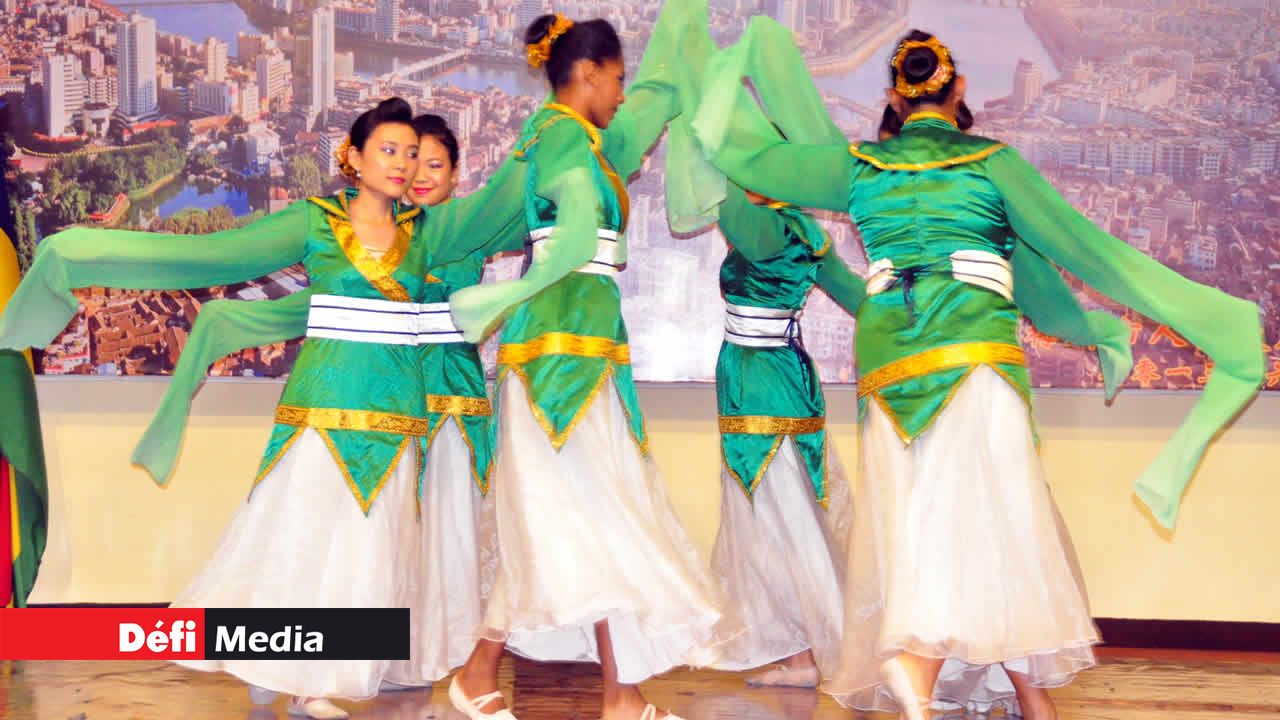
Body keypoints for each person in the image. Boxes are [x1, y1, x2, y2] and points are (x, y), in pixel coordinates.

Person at [691, 21, 1264, 719]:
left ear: (896, 101)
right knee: (991, 517)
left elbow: (747, 162)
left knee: (925, 520)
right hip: (972, 352)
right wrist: (1106, 325)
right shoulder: (993, 165)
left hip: (891, 365)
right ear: (958, 88)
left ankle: (998, 692)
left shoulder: (858, 166)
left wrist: (740, 57)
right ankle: (920, 665)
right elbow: (1077, 253)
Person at [0, 98, 528, 719]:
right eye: (388, 150)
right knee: (297, 542)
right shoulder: (315, 220)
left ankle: (297, 673)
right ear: (353, 158)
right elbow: (208, 257)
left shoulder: (430, 233)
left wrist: (557, 135)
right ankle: (290, 673)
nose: (403, 163)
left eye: (411, 153)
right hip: (320, 416)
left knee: (374, 551)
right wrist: (80, 252)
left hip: (399, 423)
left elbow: (508, 212)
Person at [441, 6, 737, 720]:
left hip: (577, 350)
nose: (621, 94)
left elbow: (541, 224)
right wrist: (508, 293)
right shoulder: (564, 142)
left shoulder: (568, 141)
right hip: (557, 361)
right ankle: (614, 694)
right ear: (589, 73)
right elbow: (571, 237)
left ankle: (501, 676)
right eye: (618, 79)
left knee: (563, 519)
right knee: (585, 517)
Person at [705, 178, 861, 689]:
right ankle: (802, 655)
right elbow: (856, 296)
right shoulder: (801, 230)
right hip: (772, 373)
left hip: (761, 378)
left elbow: (722, 206)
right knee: (778, 515)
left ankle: (821, 647)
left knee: (783, 513)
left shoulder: (768, 227)